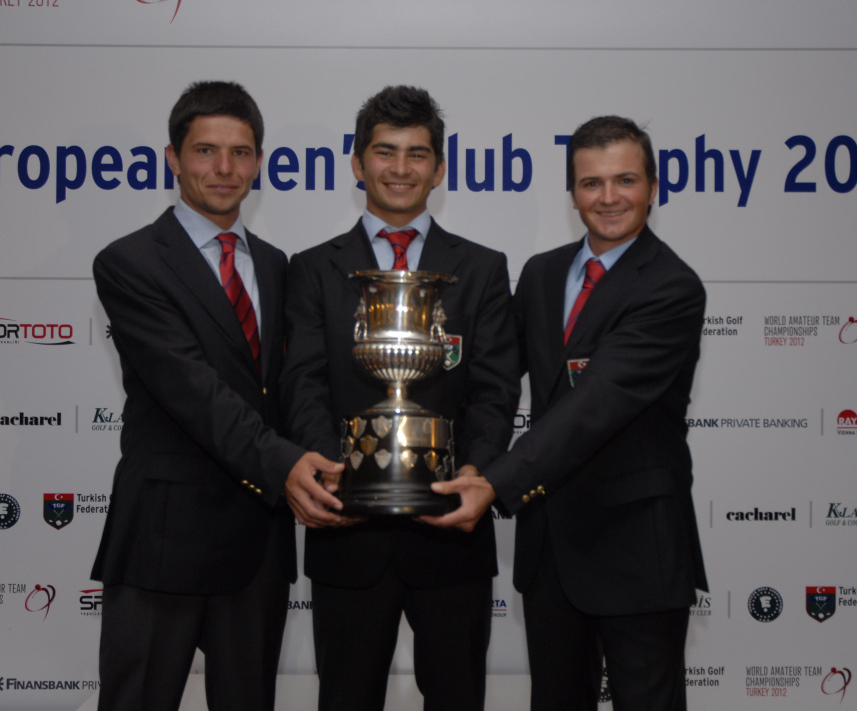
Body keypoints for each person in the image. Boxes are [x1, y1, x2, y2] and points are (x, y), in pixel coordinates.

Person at [432, 116, 708, 710]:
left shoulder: (672, 287)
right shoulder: (543, 273)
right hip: (552, 546)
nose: (608, 197)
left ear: (653, 188)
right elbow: (492, 374)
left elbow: (595, 405)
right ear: (573, 192)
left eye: (625, 180)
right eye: (591, 183)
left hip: (636, 547)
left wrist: (494, 481)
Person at [91, 81, 343, 711]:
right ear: (173, 159)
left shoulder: (277, 264)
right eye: (206, 151)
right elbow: (192, 389)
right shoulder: (130, 262)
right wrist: (287, 465)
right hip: (163, 538)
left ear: (258, 163)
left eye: (241, 152)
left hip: (257, 544)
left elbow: (292, 386)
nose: (225, 168)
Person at [283, 85, 520, 711]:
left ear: (439, 169)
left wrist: (474, 472)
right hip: (346, 532)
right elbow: (302, 382)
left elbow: (496, 390)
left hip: (451, 531)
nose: (400, 168)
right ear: (357, 163)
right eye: (385, 152)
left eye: (417, 154)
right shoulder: (312, 268)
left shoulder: (482, 268)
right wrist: (332, 472)